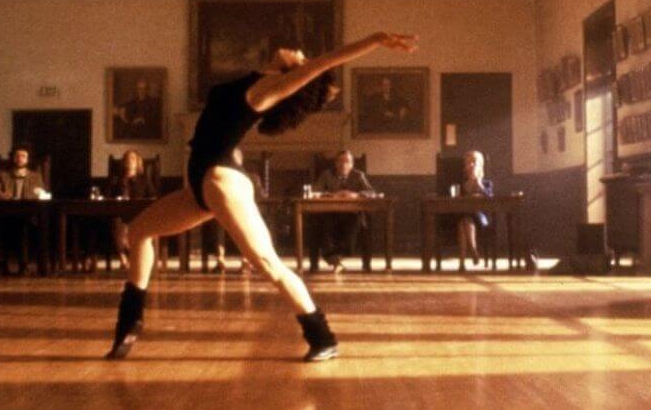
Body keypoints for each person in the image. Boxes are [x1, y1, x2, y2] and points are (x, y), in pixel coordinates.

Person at [105, 31, 417, 363]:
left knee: (267, 263)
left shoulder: (265, 92)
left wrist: (378, 39)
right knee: (139, 231)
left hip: (220, 179)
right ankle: (130, 321)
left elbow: (327, 61)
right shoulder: (256, 79)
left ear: (296, 72)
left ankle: (322, 337)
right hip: (200, 183)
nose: (297, 50)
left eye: (301, 57)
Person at [311, 150, 375, 272]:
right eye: (340, 161)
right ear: (335, 163)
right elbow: (315, 192)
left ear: (352, 164)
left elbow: (371, 192)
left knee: (356, 226)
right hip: (330, 214)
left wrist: (356, 195)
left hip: (351, 215)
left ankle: (335, 259)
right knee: (322, 224)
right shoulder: (326, 175)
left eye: (347, 162)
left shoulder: (358, 175)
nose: (343, 165)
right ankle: (336, 261)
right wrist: (332, 195)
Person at [0, 145, 49, 274]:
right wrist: (4, 195)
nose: (20, 158)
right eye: (17, 155)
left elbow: (40, 193)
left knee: (23, 227)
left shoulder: (35, 176)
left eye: (23, 156)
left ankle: (23, 265)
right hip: (6, 212)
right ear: (13, 158)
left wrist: (27, 198)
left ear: (27, 159)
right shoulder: (3, 175)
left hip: (27, 213)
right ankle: (0, 265)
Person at [107, 150, 157, 270]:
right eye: (127, 158)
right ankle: (123, 257)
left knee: (135, 224)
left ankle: (134, 255)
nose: (130, 161)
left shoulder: (144, 180)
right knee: (117, 222)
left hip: (138, 214)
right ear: (123, 162)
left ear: (138, 163)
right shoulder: (116, 180)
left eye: (133, 158)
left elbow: (153, 197)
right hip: (120, 214)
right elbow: (108, 198)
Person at [456, 150, 493, 267]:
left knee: (465, 223)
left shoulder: (487, 183)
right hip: (465, 214)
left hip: (480, 216)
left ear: (481, 166)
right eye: (468, 163)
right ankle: (472, 251)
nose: (471, 165)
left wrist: (479, 185)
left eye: (474, 162)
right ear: (464, 168)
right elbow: (457, 199)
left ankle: (469, 253)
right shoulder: (461, 184)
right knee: (464, 222)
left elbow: (490, 198)